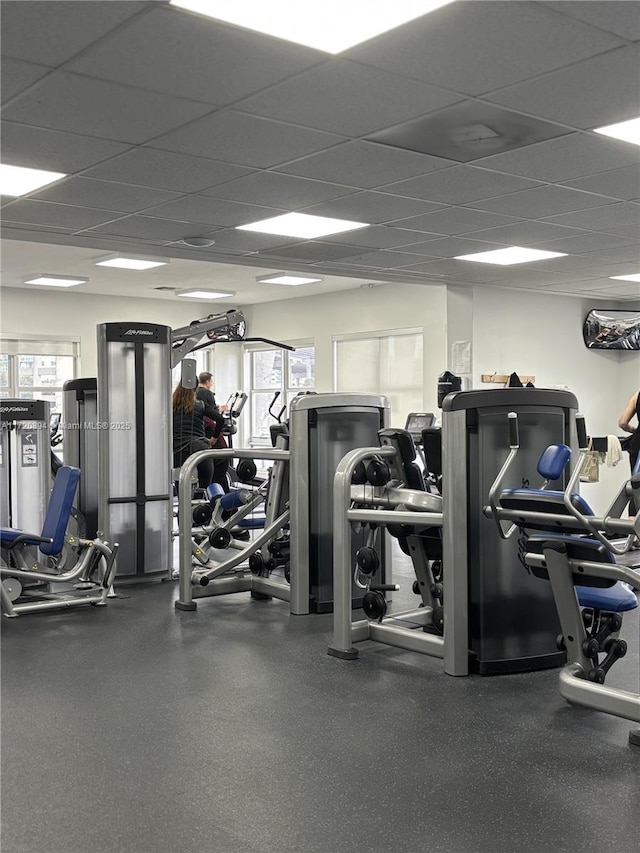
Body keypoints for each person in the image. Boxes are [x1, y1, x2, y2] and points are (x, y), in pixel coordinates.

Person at [172, 384, 224, 490]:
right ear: (195, 389)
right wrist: (213, 439)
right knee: (204, 490)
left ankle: (184, 506)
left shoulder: (171, 406)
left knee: (181, 489)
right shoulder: (200, 405)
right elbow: (220, 419)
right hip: (200, 450)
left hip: (179, 451)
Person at [196, 372, 230, 491]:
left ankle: (228, 505)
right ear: (208, 381)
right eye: (211, 381)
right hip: (210, 433)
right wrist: (222, 409)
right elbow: (215, 414)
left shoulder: (195, 393)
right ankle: (218, 497)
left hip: (201, 433)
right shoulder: (207, 394)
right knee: (222, 462)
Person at [618, 388, 640, 519]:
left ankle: (634, 536)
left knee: (636, 486)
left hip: (637, 443)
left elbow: (622, 423)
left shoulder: (638, 394)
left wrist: (635, 431)